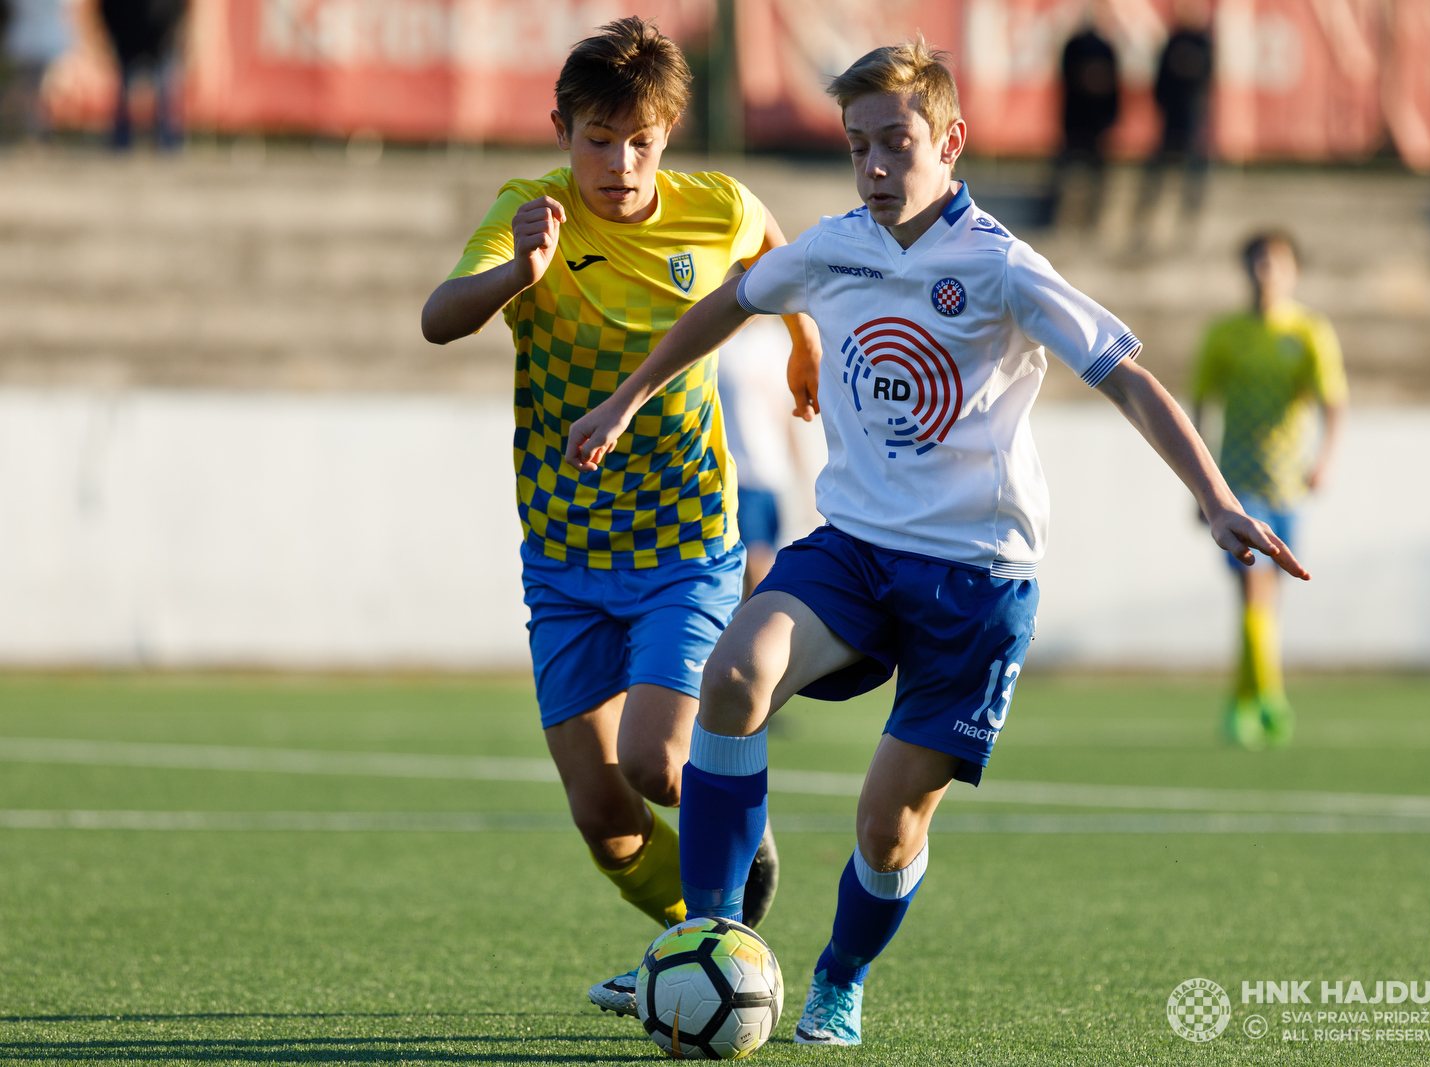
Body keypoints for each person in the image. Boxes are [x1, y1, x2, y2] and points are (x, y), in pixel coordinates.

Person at [567, 38, 1307, 1046]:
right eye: (856, 145)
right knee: (734, 673)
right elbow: (729, 302)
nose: (873, 167)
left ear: (950, 141)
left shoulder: (1000, 265)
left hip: (977, 579)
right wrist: (625, 396)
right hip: (856, 549)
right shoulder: (833, 245)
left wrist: (1216, 497)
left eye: (895, 145)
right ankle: (710, 937)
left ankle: (839, 973)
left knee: (887, 824)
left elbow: (1127, 372)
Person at [418, 16, 821, 1018]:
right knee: (602, 812)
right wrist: (519, 274)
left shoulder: (714, 208)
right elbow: (437, 317)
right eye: (598, 138)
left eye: (639, 140)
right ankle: (699, 945)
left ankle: (731, 855)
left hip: (683, 544)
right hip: (561, 557)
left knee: (651, 760)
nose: (619, 162)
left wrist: (803, 344)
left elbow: (779, 252)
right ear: (561, 129)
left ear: (668, 134)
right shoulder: (529, 212)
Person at [1191, 231, 1346, 748]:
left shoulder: (1308, 332)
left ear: (1293, 271)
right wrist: (1203, 488)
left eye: (1275, 264)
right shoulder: (1225, 334)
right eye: (1257, 263)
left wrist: (1323, 460)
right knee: (1254, 588)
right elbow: (1200, 408)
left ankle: (1241, 705)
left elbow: (1333, 401)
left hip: (1287, 487)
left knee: (1262, 602)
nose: (1265, 273)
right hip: (1237, 489)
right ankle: (1272, 698)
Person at [716, 314, 809, 597]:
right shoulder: (726, 345)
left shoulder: (778, 341)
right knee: (757, 565)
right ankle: (754, 635)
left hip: (775, 475)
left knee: (770, 559)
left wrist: (801, 472)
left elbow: (785, 413)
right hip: (740, 473)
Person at [1131, 0, 1212, 246]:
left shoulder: (1203, 43)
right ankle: (1143, 223)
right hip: (1170, 122)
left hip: (1192, 122)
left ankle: (1190, 226)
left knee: (1193, 176)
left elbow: (1205, 80)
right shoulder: (1172, 42)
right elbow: (1160, 82)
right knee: (1157, 175)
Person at [1052, 13, 1119, 229]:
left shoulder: (1098, 48)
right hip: (1083, 120)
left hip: (1088, 121)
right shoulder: (1086, 48)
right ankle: (1068, 218)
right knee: (1073, 172)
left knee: (1084, 173)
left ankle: (1082, 219)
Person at [98, 0, 186, 149]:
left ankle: (168, 141)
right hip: (129, 39)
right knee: (124, 94)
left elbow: (178, 6)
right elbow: (107, 8)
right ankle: (122, 140)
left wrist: (171, 31)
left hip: (161, 39)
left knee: (167, 94)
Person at [1, 0, 72, 142]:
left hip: (36, 41)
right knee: (33, 88)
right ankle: (35, 126)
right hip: (35, 42)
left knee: (35, 87)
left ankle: (35, 126)